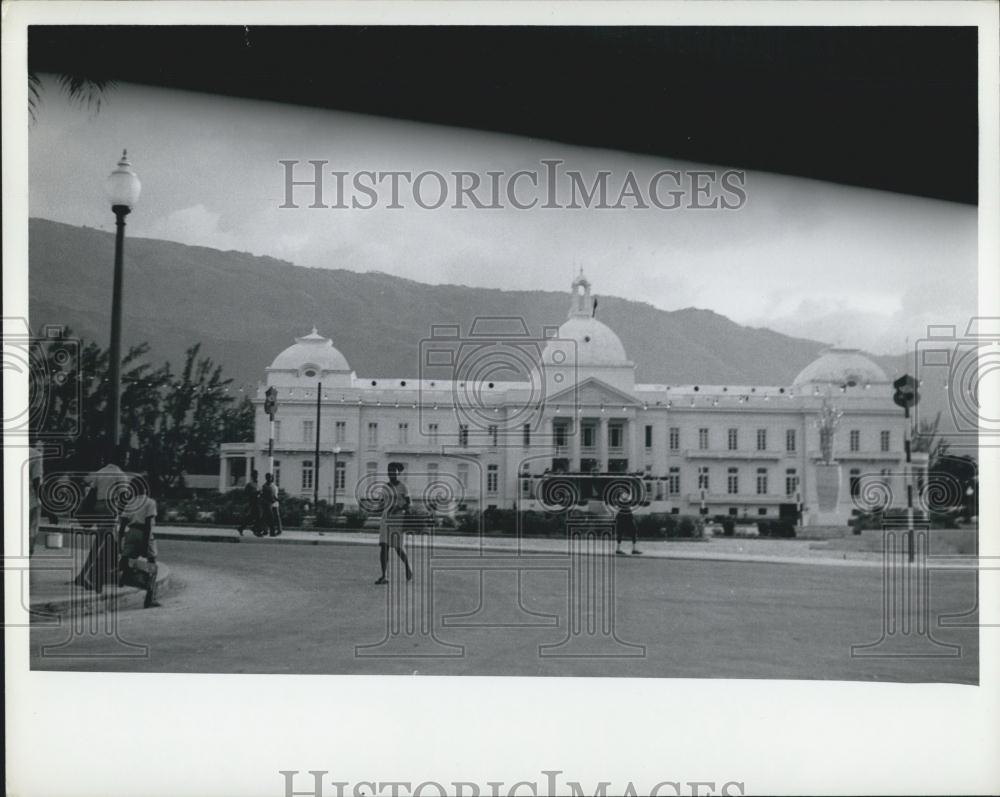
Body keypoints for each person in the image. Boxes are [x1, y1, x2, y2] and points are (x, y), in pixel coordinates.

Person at [117, 476, 161, 608]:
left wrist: (120, 542)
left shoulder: (130, 503)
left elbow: (123, 524)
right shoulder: (150, 502)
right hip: (143, 533)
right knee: (152, 565)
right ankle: (150, 598)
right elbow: (148, 525)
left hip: (131, 532)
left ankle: (124, 577)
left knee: (126, 559)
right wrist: (145, 544)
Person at [375, 462, 413, 584]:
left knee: (397, 547)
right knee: (383, 546)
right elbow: (382, 503)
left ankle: (408, 567)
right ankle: (384, 575)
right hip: (386, 518)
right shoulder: (385, 487)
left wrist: (398, 507)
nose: (391, 473)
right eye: (389, 471)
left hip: (398, 519)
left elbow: (408, 504)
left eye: (394, 471)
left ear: (398, 472)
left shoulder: (403, 487)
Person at [237, 470, 263, 537]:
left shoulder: (257, 484)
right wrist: (255, 493)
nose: (256, 476)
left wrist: (260, 493)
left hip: (258, 501)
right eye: (255, 475)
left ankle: (242, 528)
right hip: (253, 502)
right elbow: (246, 493)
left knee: (252, 517)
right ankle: (256, 530)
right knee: (259, 516)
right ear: (252, 476)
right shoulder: (249, 484)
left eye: (257, 475)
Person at [28, 447, 43, 557]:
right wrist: (40, 498)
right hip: (29, 498)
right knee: (31, 528)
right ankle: (28, 551)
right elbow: (36, 479)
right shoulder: (35, 454)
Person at [260, 472, 282, 537]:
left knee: (275, 517)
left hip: (273, 503)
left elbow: (274, 496)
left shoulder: (273, 486)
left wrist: (276, 500)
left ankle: (277, 530)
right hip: (267, 504)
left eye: (270, 477)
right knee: (267, 517)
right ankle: (266, 530)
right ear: (266, 478)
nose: (269, 478)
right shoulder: (264, 486)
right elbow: (263, 495)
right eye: (268, 477)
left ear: (272, 478)